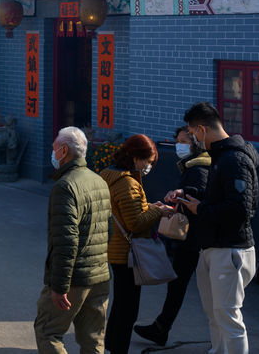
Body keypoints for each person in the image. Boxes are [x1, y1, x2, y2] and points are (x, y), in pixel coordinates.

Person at [177, 102, 259, 354]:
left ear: (202, 129)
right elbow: (219, 197)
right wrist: (189, 195)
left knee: (228, 318)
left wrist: (200, 209)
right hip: (214, 247)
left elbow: (239, 210)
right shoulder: (221, 157)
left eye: (192, 134)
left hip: (230, 250)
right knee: (215, 314)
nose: (192, 140)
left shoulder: (233, 160)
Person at [34, 126, 111, 354]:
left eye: (54, 147)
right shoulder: (98, 180)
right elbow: (109, 230)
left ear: (64, 151)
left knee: (48, 332)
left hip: (75, 278)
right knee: (93, 339)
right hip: (100, 274)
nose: (52, 151)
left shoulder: (65, 187)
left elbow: (66, 242)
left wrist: (59, 286)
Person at [136, 127, 210, 346]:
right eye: (177, 141)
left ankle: (162, 327)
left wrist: (181, 196)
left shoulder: (199, 168)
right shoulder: (193, 165)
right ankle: (161, 326)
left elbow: (198, 193)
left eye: (183, 141)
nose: (179, 145)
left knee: (180, 284)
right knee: (178, 283)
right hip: (192, 236)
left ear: (196, 143)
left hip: (194, 237)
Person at [102, 134, 171, 354]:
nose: (149, 166)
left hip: (114, 247)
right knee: (128, 310)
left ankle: (112, 346)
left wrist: (149, 207)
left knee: (120, 303)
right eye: (147, 161)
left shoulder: (108, 174)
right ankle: (118, 349)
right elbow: (134, 223)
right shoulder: (128, 183)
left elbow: (123, 212)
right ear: (134, 157)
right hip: (127, 252)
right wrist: (159, 212)